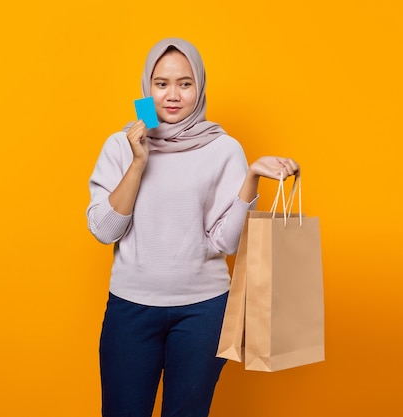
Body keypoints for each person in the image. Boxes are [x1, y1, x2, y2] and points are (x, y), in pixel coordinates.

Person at [86, 38, 299, 417]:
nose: (172, 95)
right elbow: (105, 231)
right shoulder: (120, 146)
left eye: (185, 83)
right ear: (146, 88)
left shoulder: (224, 149)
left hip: (204, 311)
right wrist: (138, 163)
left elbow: (225, 243)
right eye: (161, 83)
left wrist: (250, 179)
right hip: (131, 310)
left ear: (199, 88)